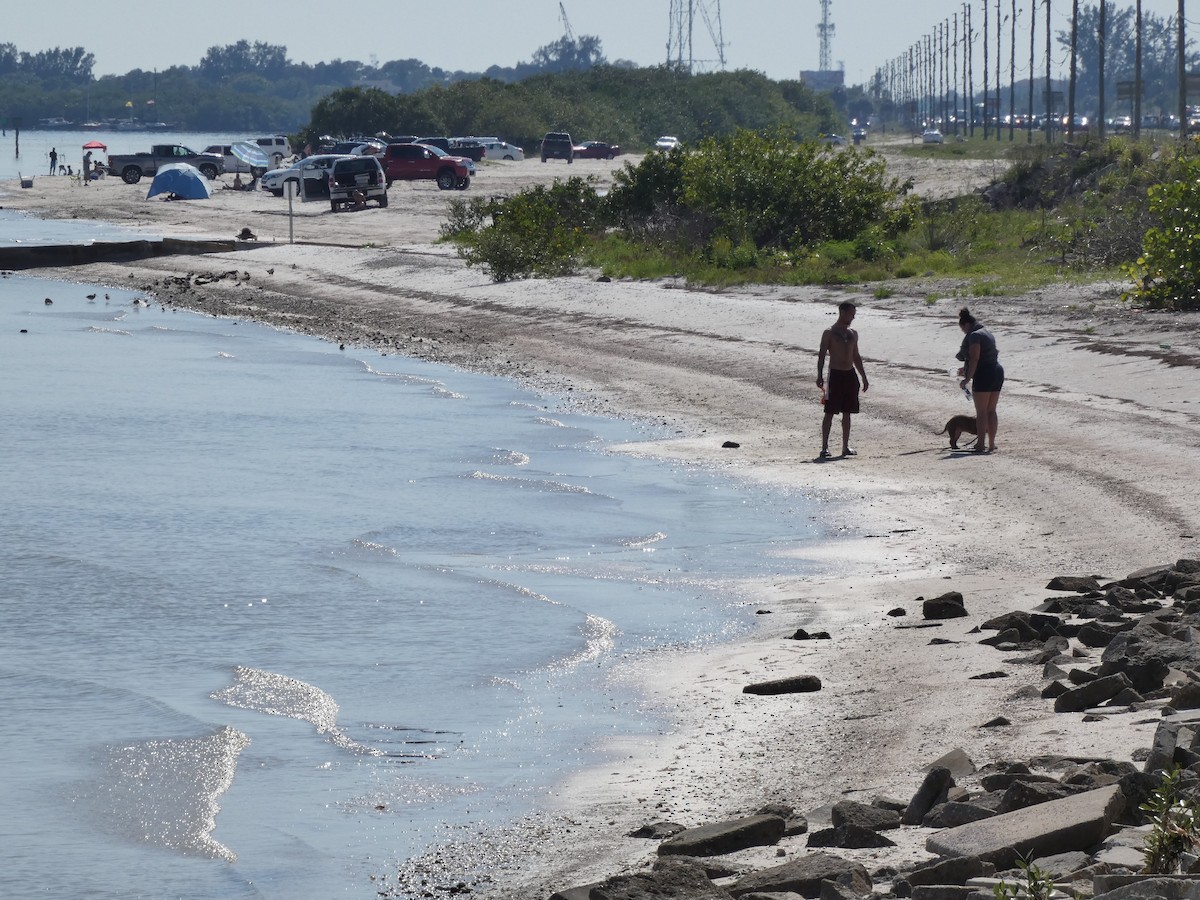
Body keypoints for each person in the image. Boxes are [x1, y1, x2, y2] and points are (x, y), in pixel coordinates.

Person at [816, 300, 869, 458]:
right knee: (830, 411)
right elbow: (821, 356)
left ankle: (845, 447)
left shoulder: (853, 333)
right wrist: (819, 375)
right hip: (835, 375)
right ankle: (824, 447)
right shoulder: (829, 332)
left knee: (848, 412)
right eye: (851, 314)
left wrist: (864, 377)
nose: (853, 317)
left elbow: (856, 356)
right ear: (843, 312)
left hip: (850, 375)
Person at [956, 306, 1004, 453]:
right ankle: (991, 444)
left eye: (963, 330)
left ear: (966, 325)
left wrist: (967, 379)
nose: (964, 333)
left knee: (981, 412)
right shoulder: (987, 332)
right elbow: (985, 356)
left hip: (984, 374)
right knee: (991, 410)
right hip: (997, 371)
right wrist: (966, 370)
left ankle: (980, 444)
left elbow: (975, 358)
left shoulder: (974, 335)